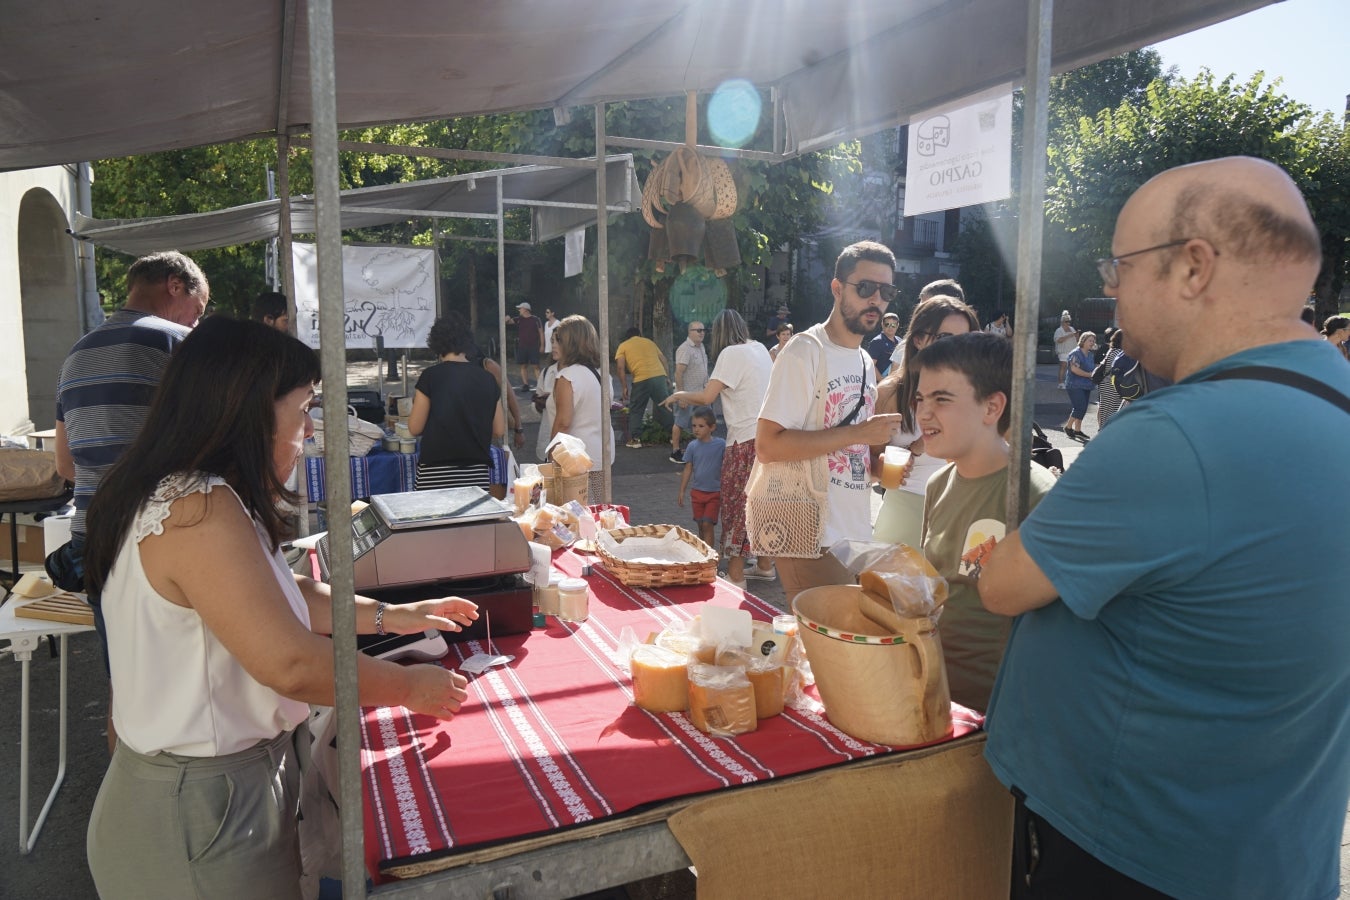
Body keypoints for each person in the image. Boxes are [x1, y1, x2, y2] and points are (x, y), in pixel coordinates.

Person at [978, 157, 1350, 900]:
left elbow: (1002, 584)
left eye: (1120, 267)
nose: (1110, 294)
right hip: (1271, 846)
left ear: (1193, 267)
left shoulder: (1177, 435)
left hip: (1130, 850)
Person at [83, 316, 477, 900]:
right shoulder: (200, 508)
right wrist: (408, 687)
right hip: (200, 817)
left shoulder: (188, 491)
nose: (309, 428)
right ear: (246, 411)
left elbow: (282, 598)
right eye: (303, 410)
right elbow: (289, 662)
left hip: (203, 799)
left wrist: (396, 615)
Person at [911, 333, 1055, 711]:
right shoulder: (938, 483)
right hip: (933, 695)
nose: (923, 413)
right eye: (920, 399)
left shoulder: (1035, 494)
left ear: (992, 408)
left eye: (941, 399)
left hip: (997, 712)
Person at [756, 240, 905, 602]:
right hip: (809, 530)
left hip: (852, 530)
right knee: (829, 647)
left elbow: (847, 453)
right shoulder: (805, 350)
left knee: (832, 649)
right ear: (837, 288)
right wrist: (859, 433)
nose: (876, 301)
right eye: (866, 288)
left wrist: (878, 468)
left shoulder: (865, 362)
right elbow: (768, 445)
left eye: (886, 292)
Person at [662, 309, 774, 587]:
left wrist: (678, 394)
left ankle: (736, 577)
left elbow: (706, 397)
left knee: (737, 508)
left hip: (744, 441)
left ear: (720, 333)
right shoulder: (759, 347)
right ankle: (764, 565)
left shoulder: (730, 354)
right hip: (769, 439)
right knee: (760, 506)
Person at [871, 295, 981, 550]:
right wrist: (915, 448)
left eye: (964, 340)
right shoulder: (891, 393)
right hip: (908, 512)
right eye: (945, 338)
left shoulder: (975, 391)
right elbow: (871, 464)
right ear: (918, 340)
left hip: (962, 513)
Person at [409, 313, 505, 494]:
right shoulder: (487, 379)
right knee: (470, 522)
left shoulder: (430, 376)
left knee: (436, 523)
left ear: (436, 343)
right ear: (467, 342)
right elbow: (499, 430)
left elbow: (415, 427)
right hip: (476, 473)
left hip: (434, 472)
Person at [551, 315, 614, 501]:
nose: (554, 344)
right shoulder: (602, 375)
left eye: (558, 340)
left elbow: (563, 423)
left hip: (574, 458)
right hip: (602, 452)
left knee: (577, 513)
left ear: (569, 343)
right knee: (602, 510)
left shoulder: (567, 376)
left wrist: (551, 455)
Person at [889, 278, 967, 372]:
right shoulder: (906, 347)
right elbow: (895, 376)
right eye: (920, 302)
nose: (919, 309)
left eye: (927, 305)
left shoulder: (976, 357)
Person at [614, 326, 673, 449]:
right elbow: (664, 360)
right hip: (659, 376)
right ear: (639, 335)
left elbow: (620, 367)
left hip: (641, 379)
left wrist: (624, 386)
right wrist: (666, 377)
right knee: (664, 405)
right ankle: (674, 435)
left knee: (636, 409)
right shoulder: (649, 342)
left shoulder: (623, 346)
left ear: (627, 337)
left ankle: (635, 440)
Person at [675, 406, 724, 548]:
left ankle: (710, 558)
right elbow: (688, 468)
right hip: (697, 493)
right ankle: (704, 553)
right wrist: (682, 491)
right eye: (694, 426)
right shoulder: (692, 446)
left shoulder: (720, 444)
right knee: (701, 526)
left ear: (712, 427)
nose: (696, 429)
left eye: (701, 426)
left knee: (708, 524)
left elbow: (727, 466)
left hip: (714, 492)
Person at [669, 320, 709, 463]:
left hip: (702, 393)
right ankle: (675, 451)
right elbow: (678, 373)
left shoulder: (701, 347)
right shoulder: (685, 349)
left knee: (706, 420)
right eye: (698, 330)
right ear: (689, 332)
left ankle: (703, 449)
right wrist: (681, 396)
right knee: (680, 422)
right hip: (688, 394)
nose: (702, 333)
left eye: (703, 330)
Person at [1062, 331, 1097, 441]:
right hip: (1075, 384)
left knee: (1082, 408)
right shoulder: (1075, 353)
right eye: (1090, 340)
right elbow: (1074, 369)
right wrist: (1090, 375)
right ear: (1083, 341)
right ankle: (1068, 427)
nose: (1092, 343)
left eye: (1093, 341)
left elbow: (1092, 368)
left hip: (1086, 385)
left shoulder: (1091, 354)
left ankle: (1077, 430)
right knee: (1079, 407)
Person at [504, 301, 544, 391]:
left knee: (536, 366)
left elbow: (541, 333)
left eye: (520, 308)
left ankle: (540, 385)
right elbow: (506, 322)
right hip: (522, 346)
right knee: (523, 366)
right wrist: (506, 319)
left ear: (525, 309)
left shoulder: (536, 319)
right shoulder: (518, 319)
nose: (519, 310)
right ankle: (525, 384)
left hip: (533, 346)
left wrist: (542, 345)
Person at [1094, 328, 1127, 429]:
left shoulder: (1112, 351)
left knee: (1105, 412)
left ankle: (1102, 434)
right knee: (1112, 414)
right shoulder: (1119, 353)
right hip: (1113, 387)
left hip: (1106, 385)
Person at [534, 343, 561, 462]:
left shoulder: (586, 372)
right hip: (547, 437)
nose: (553, 346)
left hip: (575, 446)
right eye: (552, 341)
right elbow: (536, 406)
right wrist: (538, 404)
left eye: (558, 341)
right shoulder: (546, 372)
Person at [866, 311, 901, 379]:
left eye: (893, 325)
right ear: (882, 324)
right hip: (881, 384)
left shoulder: (900, 341)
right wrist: (883, 381)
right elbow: (871, 365)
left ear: (897, 325)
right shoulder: (877, 342)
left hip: (897, 382)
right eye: (887, 324)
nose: (890, 327)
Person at [1053, 311, 1079, 388]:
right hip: (1063, 351)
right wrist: (1069, 335)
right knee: (1063, 366)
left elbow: (1076, 339)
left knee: (1072, 367)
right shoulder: (1059, 330)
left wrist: (1077, 335)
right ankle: (1060, 383)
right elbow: (1058, 340)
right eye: (1066, 322)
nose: (1068, 323)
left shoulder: (1072, 328)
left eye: (1069, 321)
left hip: (1072, 351)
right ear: (1062, 322)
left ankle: (1069, 382)